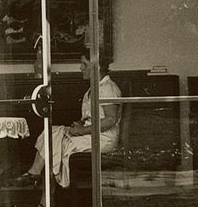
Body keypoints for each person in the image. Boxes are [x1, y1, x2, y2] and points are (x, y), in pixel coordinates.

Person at [8, 48, 121, 190]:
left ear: (96, 67)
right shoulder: (93, 88)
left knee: (59, 143)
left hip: (103, 138)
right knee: (52, 132)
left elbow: (110, 120)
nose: (80, 68)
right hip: (90, 133)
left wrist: (81, 130)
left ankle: (40, 183)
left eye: (84, 64)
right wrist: (80, 124)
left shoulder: (108, 88)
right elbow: (92, 116)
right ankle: (36, 176)